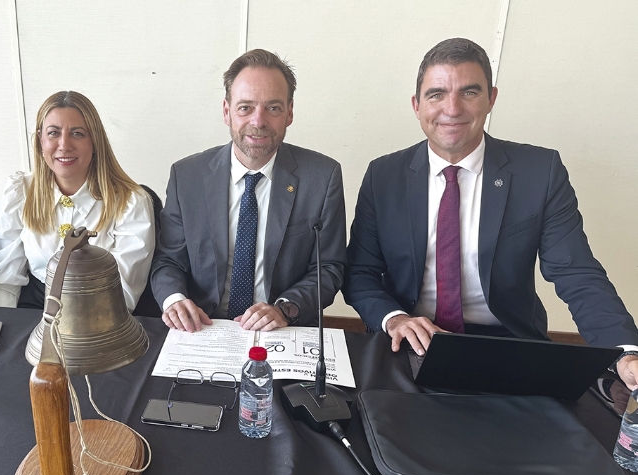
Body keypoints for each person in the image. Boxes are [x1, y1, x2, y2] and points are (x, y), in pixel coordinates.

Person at [343, 38, 638, 387]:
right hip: (410, 338)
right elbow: (360, 274)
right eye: (436, 94)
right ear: (416, 105)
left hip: (506, 341)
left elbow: (576, 272)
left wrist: (625, 350)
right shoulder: (384, 176)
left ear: (491, 99)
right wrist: (394, 319)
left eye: (469, 92)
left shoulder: (539, 172)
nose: (452, 109)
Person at [152, 49, 346, 333]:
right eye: (245, 107)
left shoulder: (322, 177)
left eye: (273, 108)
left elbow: (329, 268)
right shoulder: (187, 176)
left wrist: (285, 309)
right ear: (226, 111)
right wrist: (175, 300)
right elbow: (168, 260)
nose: (258, 121)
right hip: (203, 327)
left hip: (282, 328)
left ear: (290, 112)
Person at [0, 91, 154, 312]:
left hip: (100, 318)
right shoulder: (20, 191)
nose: (64, 145)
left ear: (95, 141)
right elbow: (6, 284)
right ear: (40, 141)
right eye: (53, 133)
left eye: (77, 133)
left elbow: (122, 295)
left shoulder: (131, 201)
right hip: (33, 311)